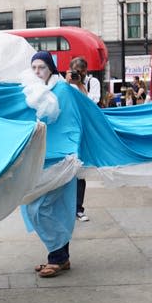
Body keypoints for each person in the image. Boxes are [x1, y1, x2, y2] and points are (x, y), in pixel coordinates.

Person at [28, 51, 77, 277]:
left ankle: (57, 257)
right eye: (34, 68)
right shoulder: (36, 92)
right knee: (52, 210)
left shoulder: (64, 90)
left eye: (41, 68)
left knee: (38, 208)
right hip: (43, 159)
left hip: (62, 160)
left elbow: (73, 122)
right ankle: (59, 256)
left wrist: (70, 151)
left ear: (51, 68)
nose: (37, 72)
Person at [67, 56, 100, 222]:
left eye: (80, 72)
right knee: (66, 168)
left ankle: (78, 208)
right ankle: (67, 208)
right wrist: (66, 84)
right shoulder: (65, 83)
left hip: (85, 129)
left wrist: (79, 84)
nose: (76, 75)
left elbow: (92, 103)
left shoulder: (91, 82)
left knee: (79, 170)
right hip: (69, 128)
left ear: (85, 71)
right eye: (74, 72)